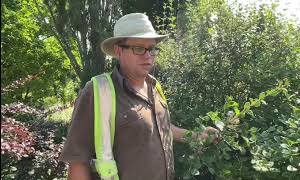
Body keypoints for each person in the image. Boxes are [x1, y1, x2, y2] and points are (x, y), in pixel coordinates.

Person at [60, 13, 221, 180]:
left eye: (152, 48)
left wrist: (198, 136)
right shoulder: (98, 92)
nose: (148, 55)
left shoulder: (154, 87)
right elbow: (78, 162)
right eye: (138, 48)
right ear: (118, 50)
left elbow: (161, 128)